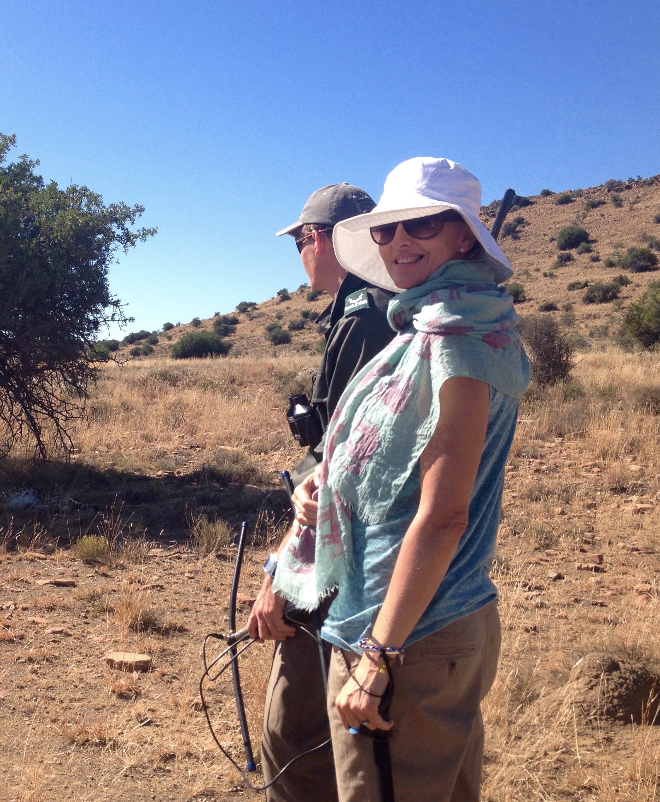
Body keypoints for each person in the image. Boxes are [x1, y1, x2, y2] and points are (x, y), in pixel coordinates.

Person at [273, 157, 530, 802]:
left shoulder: (456, 340)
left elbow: (444, 515)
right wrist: (325, 486)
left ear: (464, 234)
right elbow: (383, 466)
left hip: (409, 630)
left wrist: (379, 657)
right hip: (407, 619)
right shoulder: (430, 325)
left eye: (420, 224)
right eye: (386, 230)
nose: (399, 242)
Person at [248, 184, 396, 802]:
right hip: (368, 545)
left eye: (302, 240)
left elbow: (340, 469)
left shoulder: (364, 314)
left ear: (325, 238)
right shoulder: (367, 308)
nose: (301, 254)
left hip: (343, 551)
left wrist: (278, 576)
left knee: (293, 732)